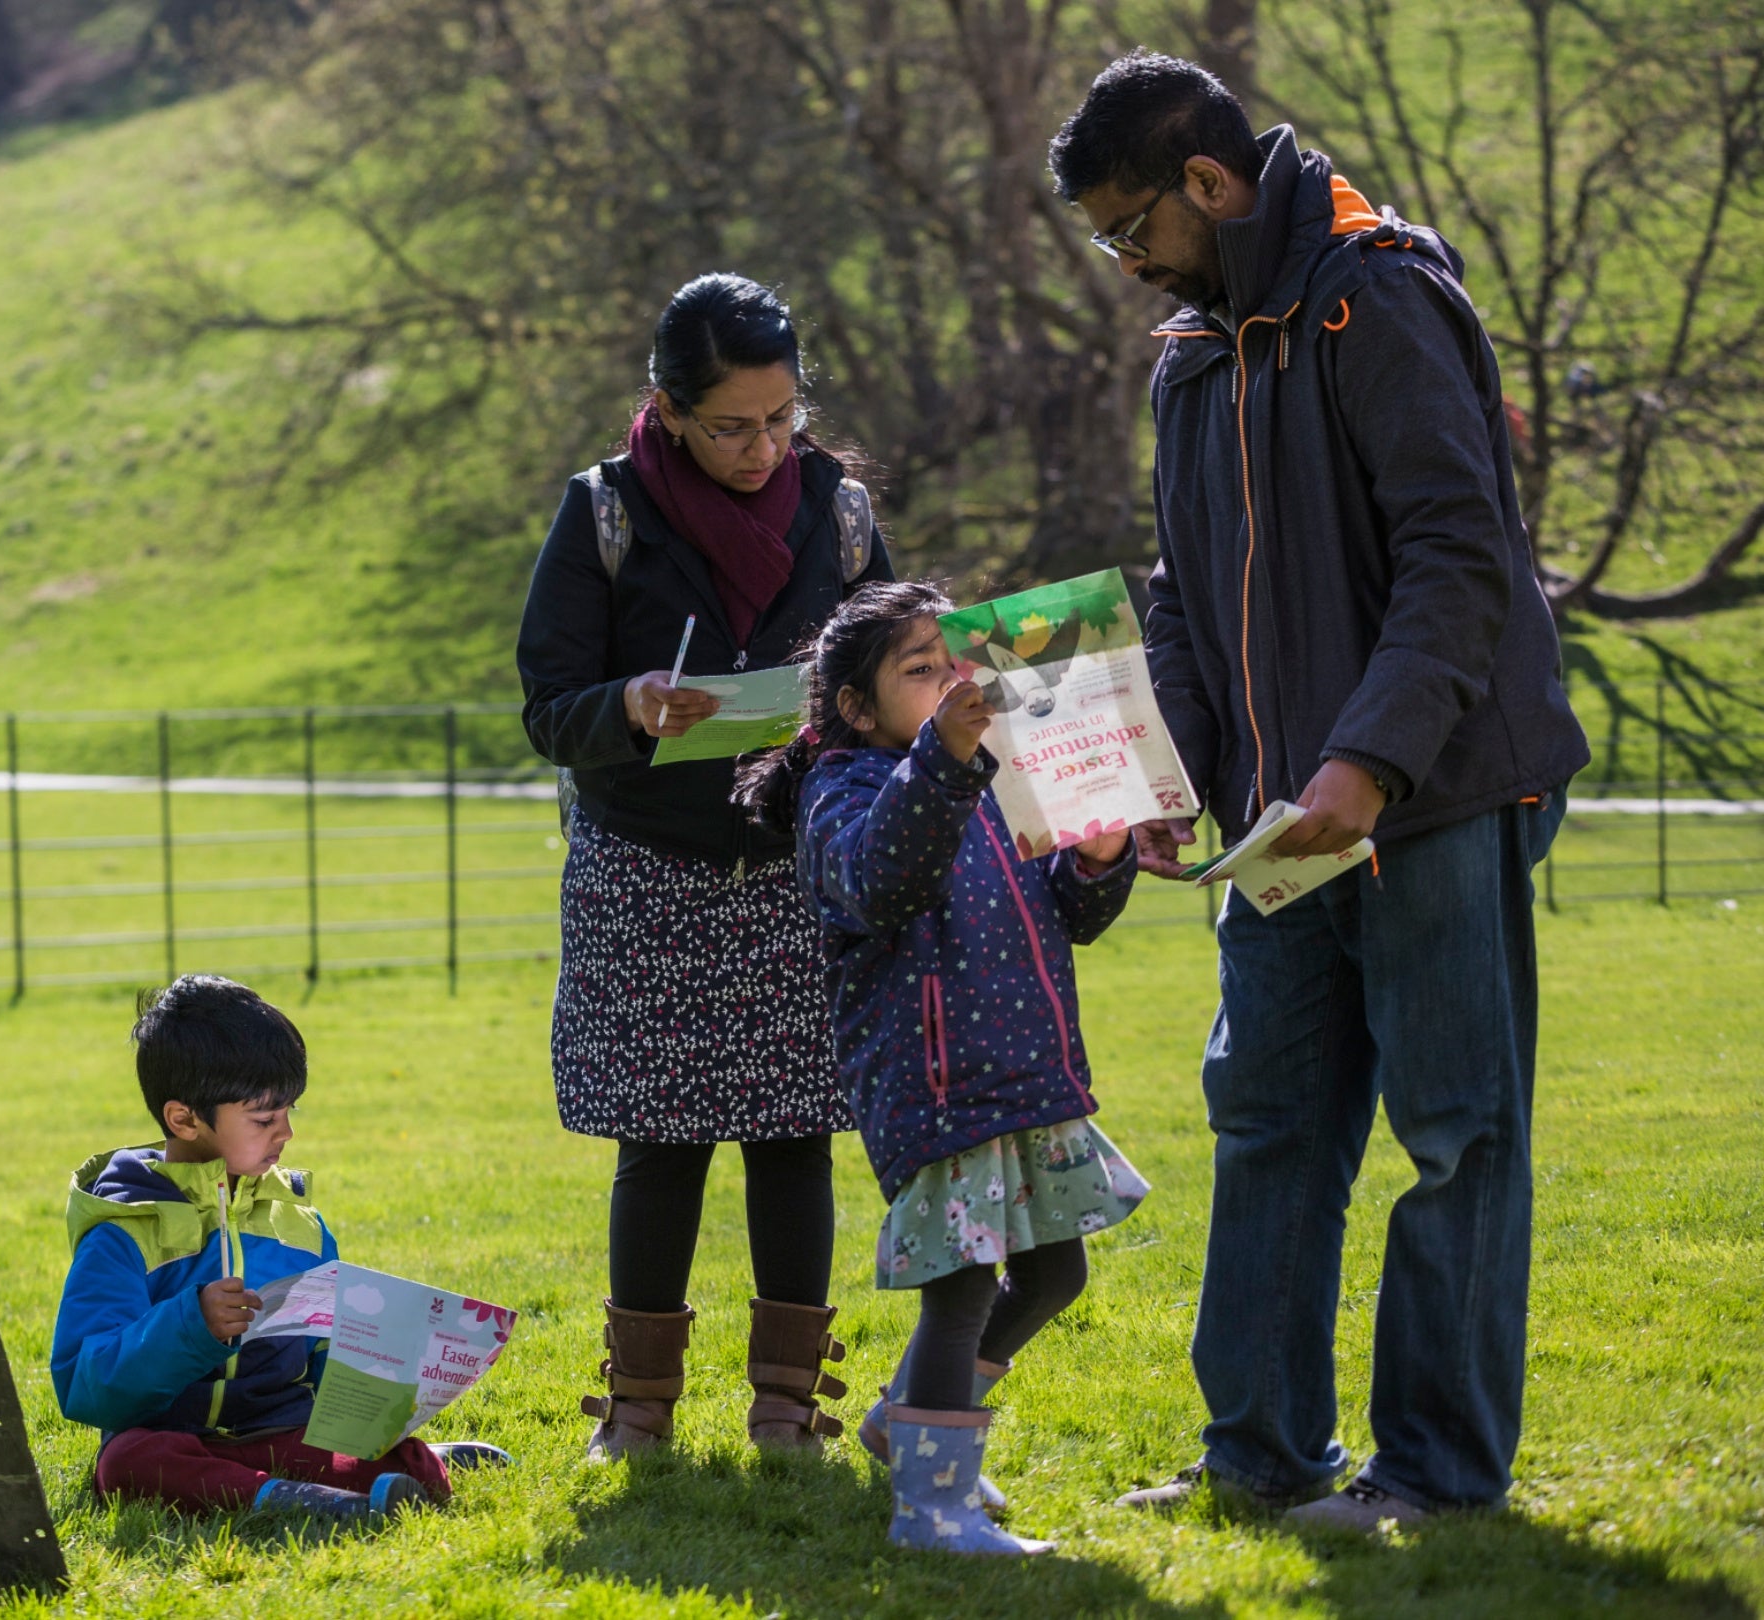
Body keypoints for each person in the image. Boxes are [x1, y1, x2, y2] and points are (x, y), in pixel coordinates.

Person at [1047, 53, 1587, 1530]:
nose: (1126, 262)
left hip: (1429, 800)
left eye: (1132, 228)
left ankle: (1435, 1479)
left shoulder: (1380, 296)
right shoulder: (1194, 357)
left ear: (1208, 183)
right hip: (1277, 831)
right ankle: (1262, 1455)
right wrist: (1171, 776)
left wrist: (1369, 761)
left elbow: (1460, 556)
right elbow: (1179, 592)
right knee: (1267, 1122)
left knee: (1456, 1132)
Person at [515, 273, 894, 1462]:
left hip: (797, 864)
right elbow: (547, 706)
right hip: (647, 863)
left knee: (796, 1135)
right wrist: (627, 704)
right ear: (667, 408)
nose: (764, 445)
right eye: (734, 424)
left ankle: (789, 1408)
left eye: (782, 418)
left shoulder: (837, 509)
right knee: (660, 1141)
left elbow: (898, 660)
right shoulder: (605, 514)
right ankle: (639, 1413)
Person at [783, 580, 1145, 1556]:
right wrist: (946, 755)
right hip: (936, 1088)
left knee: (1054, 1272)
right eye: (921, 671)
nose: (953, 685)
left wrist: (1102, 851)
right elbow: (881, 882)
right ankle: (932, 1512)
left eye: (959, 662)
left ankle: (904, 1423)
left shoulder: (1001, 774)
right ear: (857, 708)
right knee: (963, 1286)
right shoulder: (845, 790)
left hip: (1025, 1074)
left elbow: (1071, 916)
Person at [50, 975, 510, 1521]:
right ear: (184, 1119)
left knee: (402, 1465)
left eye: (290, 1111)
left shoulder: (300, 1223)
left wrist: (387, 1381)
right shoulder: (121, 1232)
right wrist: (191, 1325)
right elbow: (86, 1386)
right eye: (265, 1118)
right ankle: (289, 1501)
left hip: (281, 1434)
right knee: (125, 1465)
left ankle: (389, 1472)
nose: (286, 1132)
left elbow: (327, 1356)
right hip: (173, 1439)